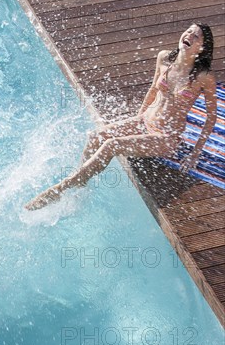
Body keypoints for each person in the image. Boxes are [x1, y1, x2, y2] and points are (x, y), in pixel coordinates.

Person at [25, 22, 217, 211]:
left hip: (166, 136)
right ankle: (81, 182)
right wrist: (138, 118)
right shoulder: (165, 58)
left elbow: (211, 117)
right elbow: (152, 90)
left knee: (112, 144)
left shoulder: (203, 77)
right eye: (189, 31)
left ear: (201, 48)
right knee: (96, 136)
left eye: (196, 36)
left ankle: (64, 186)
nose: (189, 36)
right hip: (145, 121)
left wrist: (195, 153)